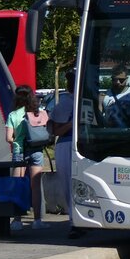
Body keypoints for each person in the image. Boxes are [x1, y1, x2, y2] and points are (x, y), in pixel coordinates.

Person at [6, 85, 49, 231]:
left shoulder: (13, 115)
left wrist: (18, 139)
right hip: (36, 150)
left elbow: (8, 138)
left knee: (18, 185)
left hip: (19, 151)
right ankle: (37, 220)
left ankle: (17, 220)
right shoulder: (38, 113)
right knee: (35, 186)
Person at [49, 71, 86, 239]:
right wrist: (73, 123)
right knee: (69, 183)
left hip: (83, 144)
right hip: (66, 144)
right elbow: (56, 130)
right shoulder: (65, 103)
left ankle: (83, 219)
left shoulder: (85, 100)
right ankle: (73, 221)